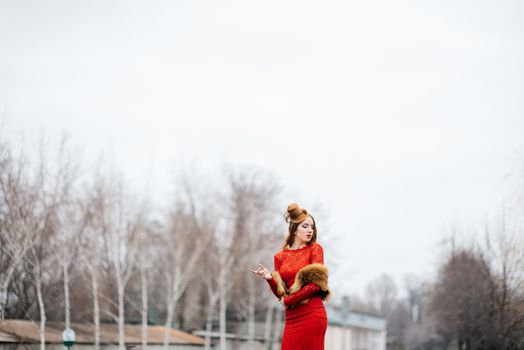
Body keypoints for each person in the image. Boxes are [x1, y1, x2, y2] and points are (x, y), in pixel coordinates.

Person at [251, 203, 331, 350]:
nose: (310, 231)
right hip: (292, 318)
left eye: (312, 227)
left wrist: (289, 300)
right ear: (294, 229)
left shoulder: (315, 249)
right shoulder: (280, 257)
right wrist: (269, 279)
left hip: (312, 314)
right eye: (305, 226)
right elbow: (281, 294)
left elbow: (316, 285)